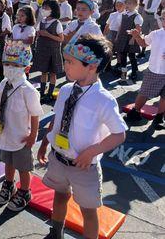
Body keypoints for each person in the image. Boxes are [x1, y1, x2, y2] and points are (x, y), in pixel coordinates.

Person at [38, 35, 126, 239]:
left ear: (91, 67)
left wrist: (92, 152)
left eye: (70, 62)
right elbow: (57, 120)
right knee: (60, 196)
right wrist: (44, 142)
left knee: (88, 211)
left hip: (83, 167)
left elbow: (119, 133)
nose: (65, 65)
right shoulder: (67, 90)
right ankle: (56, 231)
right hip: (58, 158)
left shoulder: (103, 100)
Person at [0, 40, 42, 211]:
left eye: (15, 64)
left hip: (21, 136)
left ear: (26, 68)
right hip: (5, 132)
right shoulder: (2, 84)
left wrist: (33, 135)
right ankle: (8, 185)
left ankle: (24, 191)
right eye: (6, 63)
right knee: (8, 161)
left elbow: (35, 115)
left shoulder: (28, 90)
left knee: (23, 166)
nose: (9, 67)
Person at [123, 10, 165, 130]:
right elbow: (144, 43)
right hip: (155, 70)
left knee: (164, 97)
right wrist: (136, 36)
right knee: (144, 92)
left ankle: (159, 117)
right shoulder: (156, 34)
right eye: (163, 18)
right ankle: (135, 111)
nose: (164, 21)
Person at [31, 0, 64, 102]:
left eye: (47, 8)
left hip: (53, 51)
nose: (44, 9)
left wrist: (48, 34)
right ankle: (42, 92)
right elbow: (37, 33)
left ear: (53, 10)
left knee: (53, 73)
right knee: (43, 72)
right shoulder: (42, 21)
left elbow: (61, 39)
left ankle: (50, 93)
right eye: (43, 7)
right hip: (42, 50)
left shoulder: (57, 23)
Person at [112, 0, 143, 82]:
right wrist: (117, 36)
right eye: (126, 3)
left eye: (130, 3)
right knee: (123, 56)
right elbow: (120, 26)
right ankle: (124, 73)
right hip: (122, 38)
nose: (127, 5)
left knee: (132, 56)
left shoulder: (137, 16)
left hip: (131, 39)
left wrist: (133, 39)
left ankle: (134, 72)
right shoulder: (123, 14)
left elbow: (138, 29)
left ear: (135, 5)